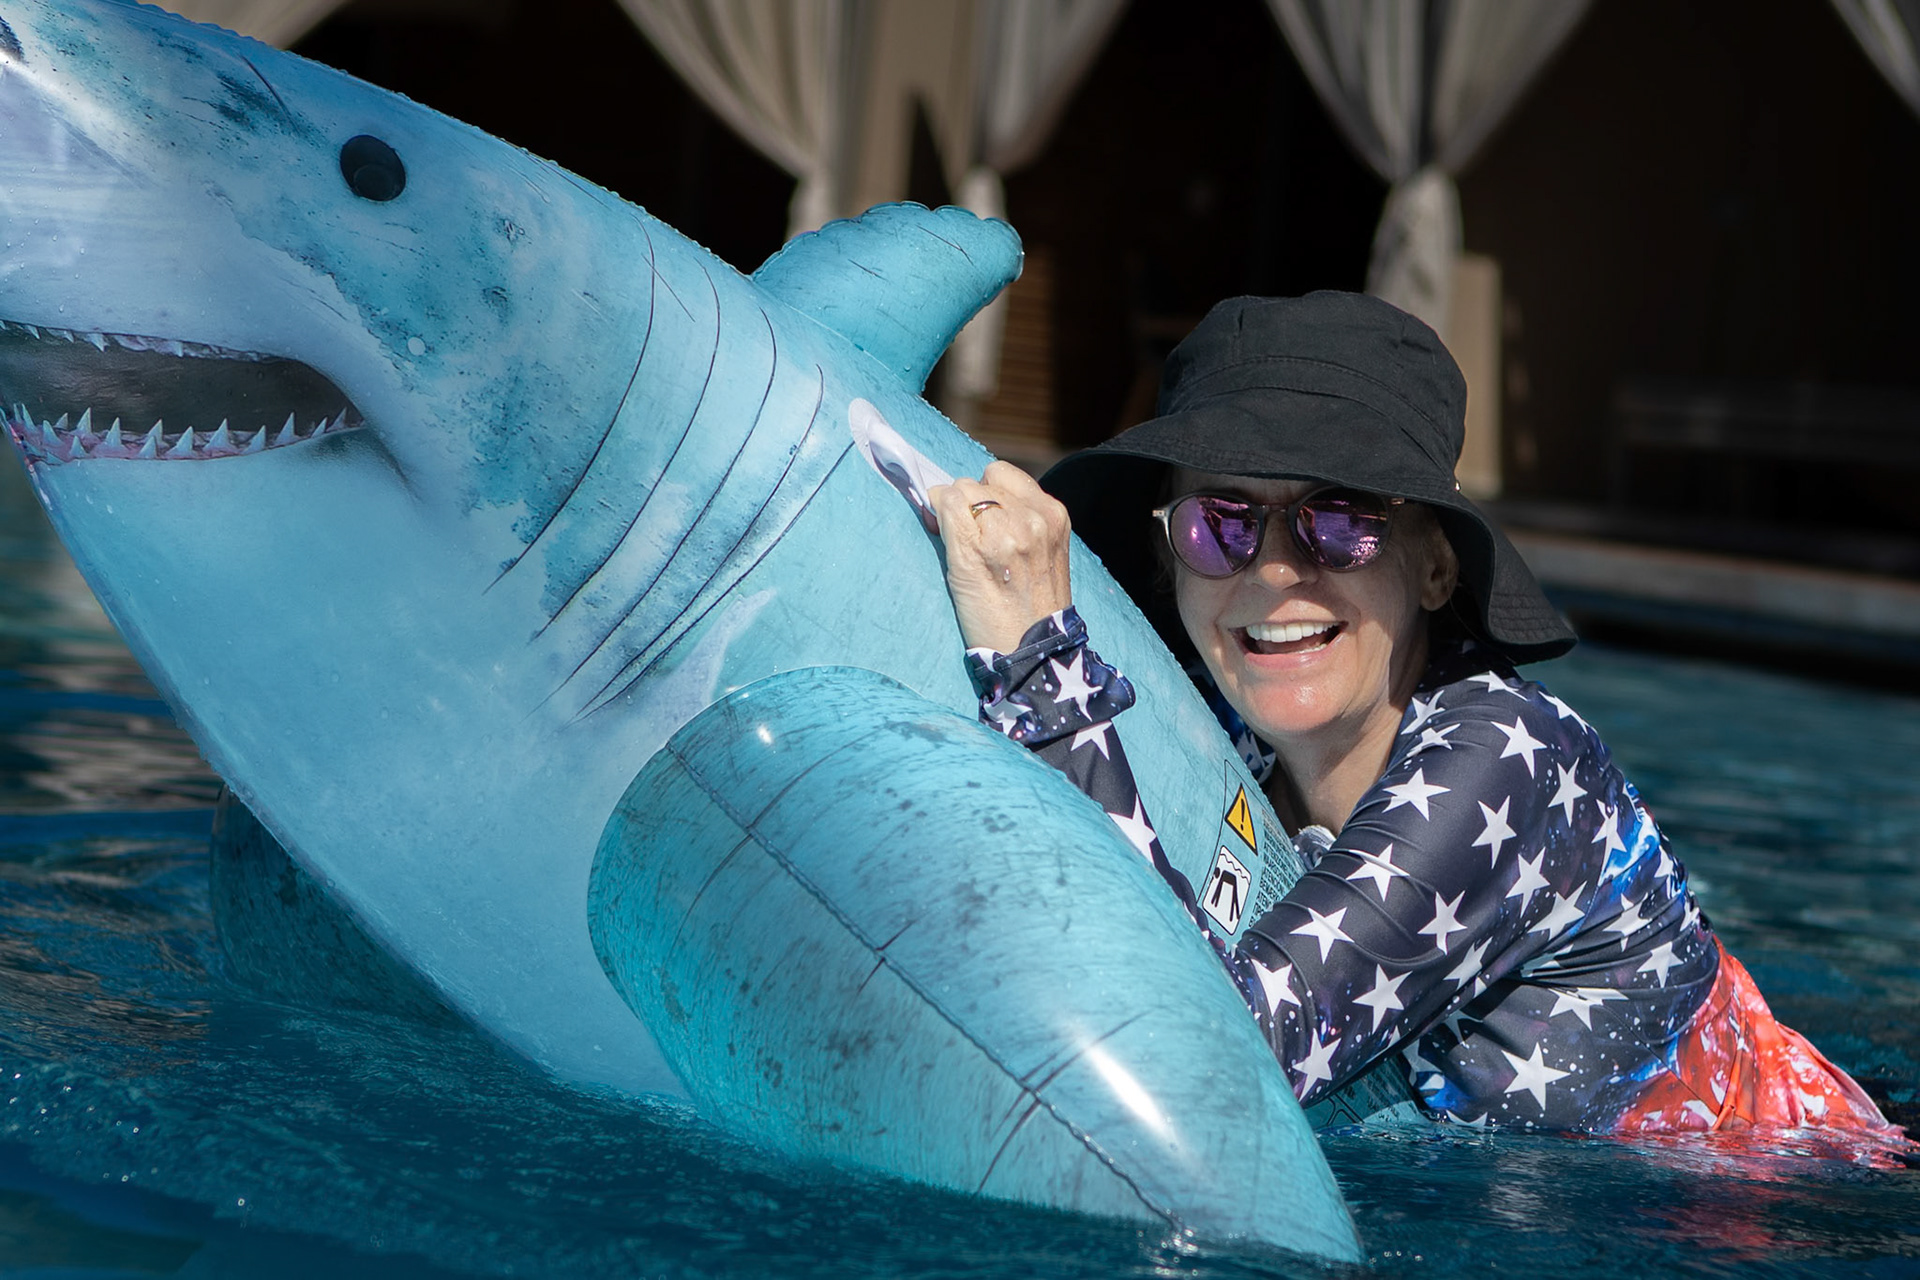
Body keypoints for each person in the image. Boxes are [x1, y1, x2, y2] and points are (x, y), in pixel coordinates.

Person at [929, 291, 1907, 1143]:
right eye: (1220, 520)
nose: (1272, 573)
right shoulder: (1232, 740)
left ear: (1434, 566)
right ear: (1170, 558)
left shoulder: (1510, 765)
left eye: (1341, 519)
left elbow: (1212, 1048)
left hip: (1766, 1195)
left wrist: (1041, 663)